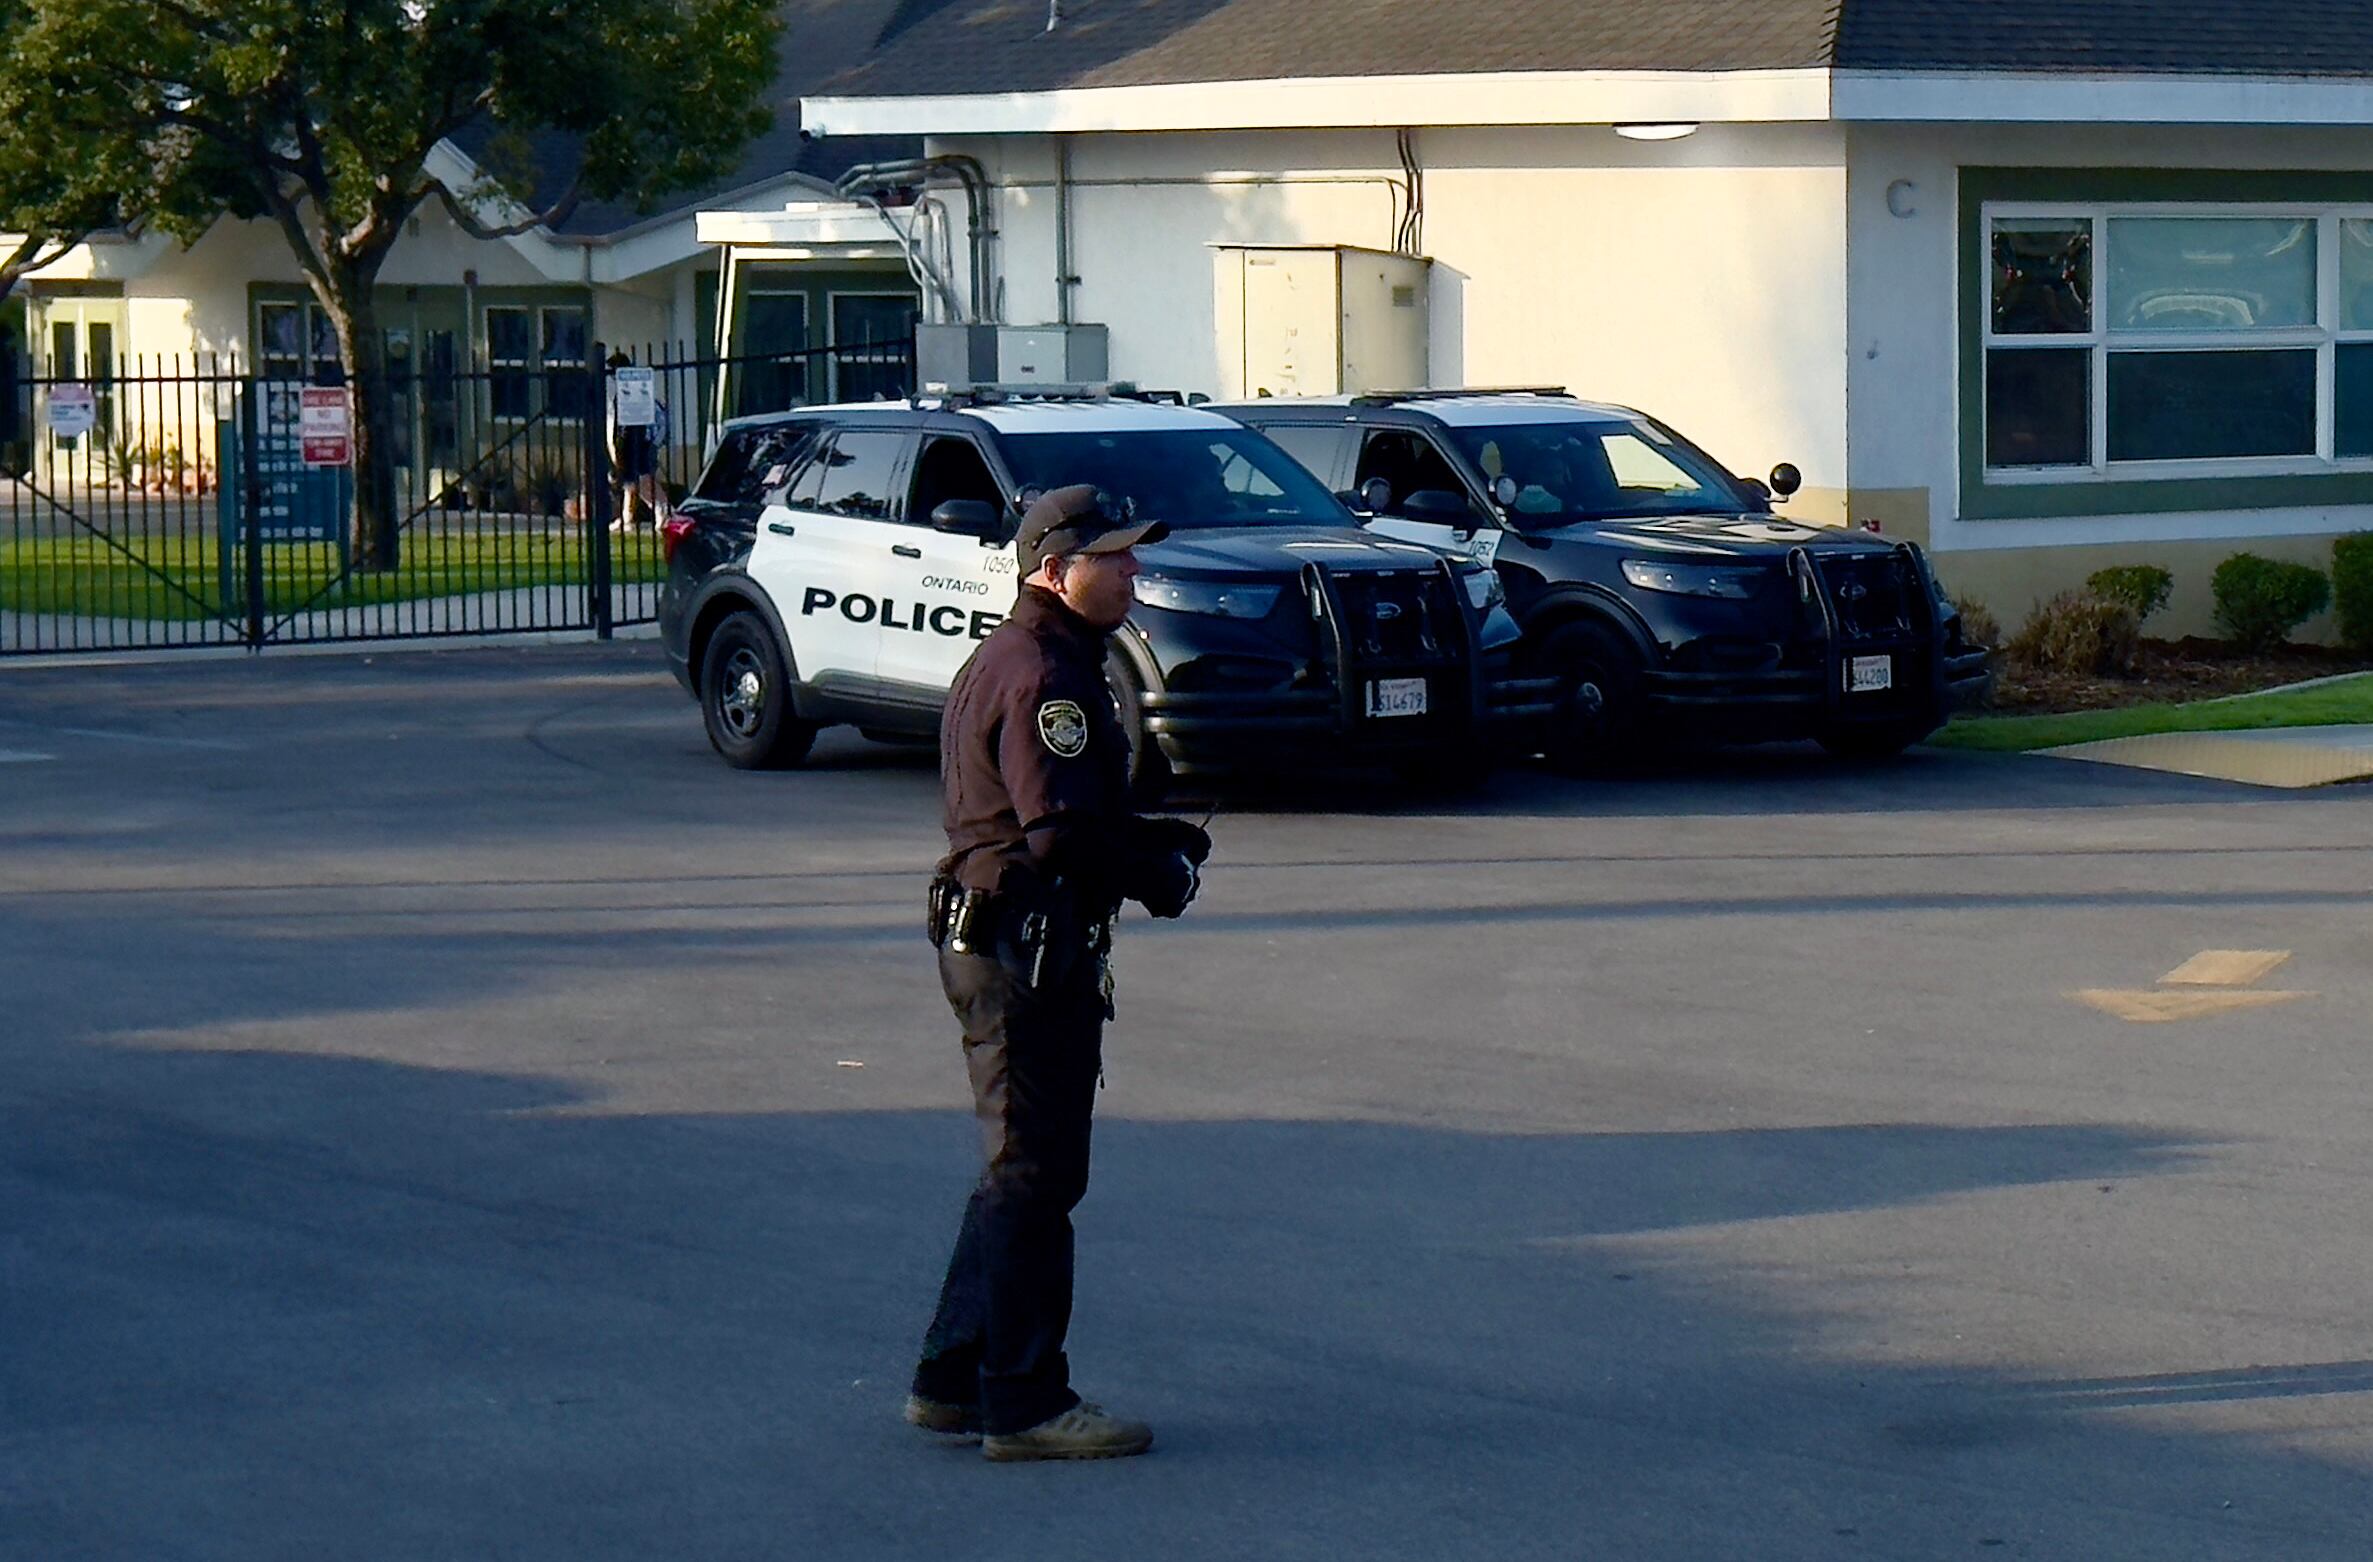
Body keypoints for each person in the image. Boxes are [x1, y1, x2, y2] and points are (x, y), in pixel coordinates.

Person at [909, 484, 1213, 1463]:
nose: (1129, 570)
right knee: (1035, 1174)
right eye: (1111, 557)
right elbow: (1056, 833)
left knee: (1020, 1168)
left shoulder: (1030, 653)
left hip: (1009, 936)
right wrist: (1150, 871)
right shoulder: (1045, 669)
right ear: (1052, 570)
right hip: (1023, 945)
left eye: (1130, 554)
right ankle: (1026, 1398)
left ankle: (955, 1375)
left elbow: (1051, 811)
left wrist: (1147, 834)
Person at [604, 350, 670, 530]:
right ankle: (627, 519)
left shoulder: (632, 392)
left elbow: (644, 422)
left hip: (642, 442)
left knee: (642, 480)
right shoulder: (622, 394)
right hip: (631, 442)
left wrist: (652, 442)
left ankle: (663, 510)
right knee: (630, 483)